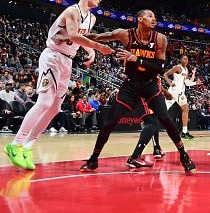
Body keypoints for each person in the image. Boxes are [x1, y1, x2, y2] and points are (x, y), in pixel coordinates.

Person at [4, 0, 113, 170]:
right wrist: (97, 47)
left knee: (55, 107)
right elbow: (72, 34)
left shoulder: (92, 19)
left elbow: (80, 36)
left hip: (67, 61)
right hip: (53, 57)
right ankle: (15, 144)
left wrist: (89, 50)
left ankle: (27, 146)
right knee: (45, 102)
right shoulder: (72, 11)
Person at [79, 9, 196, 173]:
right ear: (140, 19)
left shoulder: (160, 39)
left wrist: (136, 59)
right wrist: (72, 36)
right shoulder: (125, 35)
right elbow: (97, 37)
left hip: (150, 84)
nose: (154, 19)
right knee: (108, 124)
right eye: (150, 16)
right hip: (131, 85)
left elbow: (159, 68)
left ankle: (184, 156)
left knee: (165, 119)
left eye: (155, 17)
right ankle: (93, 160)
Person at [164, 55, 201, 139]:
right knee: (186, 109)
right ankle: (184, 132)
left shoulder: (186, 70)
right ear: (180, 60)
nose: (186, 60)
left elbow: (187, 83)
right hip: (177, 91)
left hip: (174, 92)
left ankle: (148, 121)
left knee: (163, 109)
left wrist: (196, 83)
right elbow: (166, 74)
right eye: (184, 59)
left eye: (187, 59)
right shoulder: (177, 67)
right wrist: (170, 83)